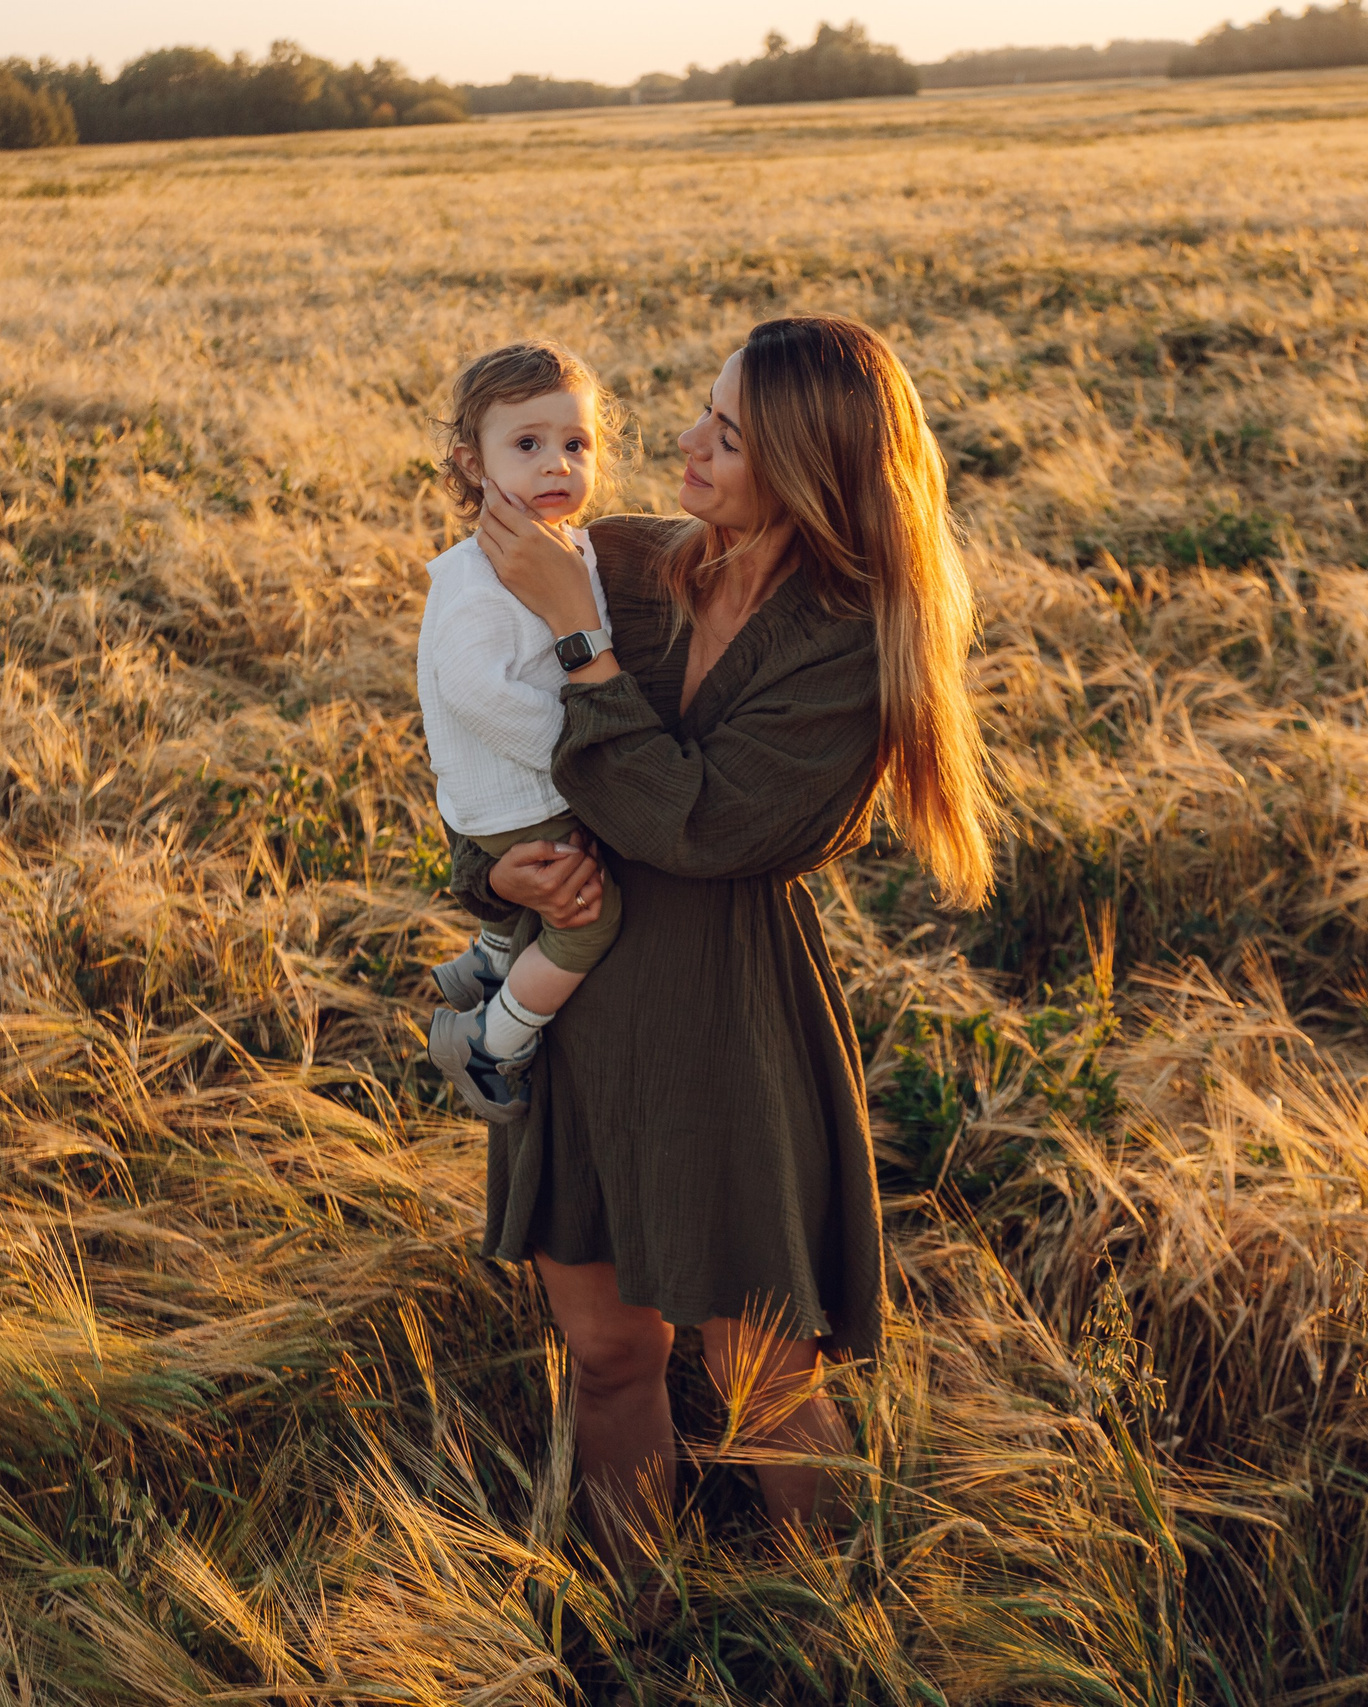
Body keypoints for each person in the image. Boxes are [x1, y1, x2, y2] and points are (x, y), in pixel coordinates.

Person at [447, 314, 996, 1572]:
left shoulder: (849, 643)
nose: (685, 445)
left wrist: (579, 639)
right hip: (578, 1004)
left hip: (724, 1021)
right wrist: (492, 869)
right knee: (609, 1356)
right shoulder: (627, 563)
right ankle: (633, 1621)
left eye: (729, 433)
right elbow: (489, 752)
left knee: (762, 1375)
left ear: (809, 467)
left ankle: (825, 1621)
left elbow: (695, 826)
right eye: (702, 410)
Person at [415, 341, 624, 1121]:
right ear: (474, 464)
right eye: (528, 445)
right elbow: (473, 690)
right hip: (519, 791)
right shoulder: (480, 576)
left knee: (560, 898)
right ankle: (490, 1038)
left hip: (517, 787)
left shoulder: (567, 545)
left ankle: (495, 956)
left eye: (576, 445)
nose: (557, 466)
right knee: (590, 916)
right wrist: (581, 759)